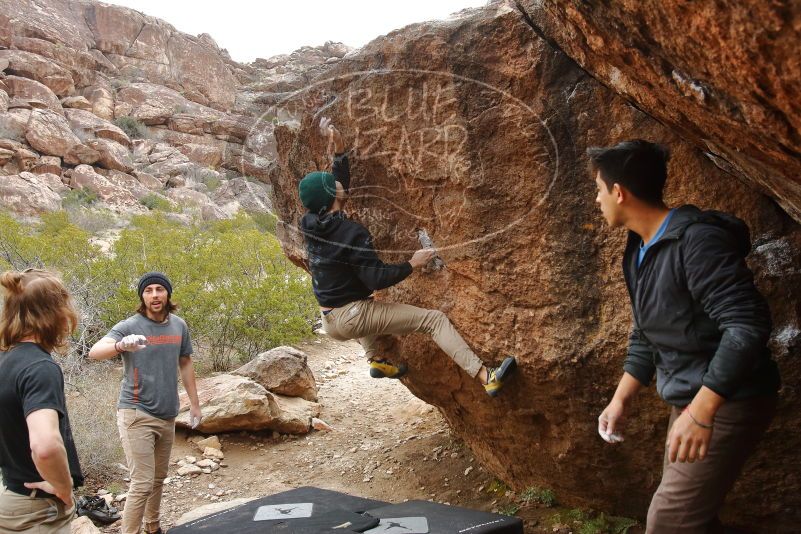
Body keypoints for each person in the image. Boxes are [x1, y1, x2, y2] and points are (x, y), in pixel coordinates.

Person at [590, 140, 781, 533]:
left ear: (619, 192)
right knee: (692, 519)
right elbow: (646, 330)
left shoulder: (695, 242)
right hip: (692, 399)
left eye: (598, 189)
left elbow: (747, 324)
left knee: (669, 522)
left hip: (728, 400)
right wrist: (620, 399)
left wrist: (700, 412)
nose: (597, 199)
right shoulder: (640, 248)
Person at [298, 118, 516, 396]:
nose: (339, 185)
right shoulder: (352, 233)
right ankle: (487, 376)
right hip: (352, 318)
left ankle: (376, 359)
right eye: (334, 185)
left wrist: (339, 153)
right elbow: (377, 278)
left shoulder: (310, 223)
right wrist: (413, 263)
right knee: (433, 320)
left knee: (357, 295)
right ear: (332, 197)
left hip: (330, 320)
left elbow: (337, 189)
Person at [88, 272, 201, 534]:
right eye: (148, 290)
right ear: (142, 296)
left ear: (168, 294)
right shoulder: (129, 326)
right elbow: (95, 352)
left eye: (159, 290)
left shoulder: (178, 326)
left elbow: (185, 363)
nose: (154, 295)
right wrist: (119, 346)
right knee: (141, 483)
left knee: (158, 479)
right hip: (136, 412)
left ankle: (153, 527)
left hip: (168, 413)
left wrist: (195, 404)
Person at [0, 269, 83, 533]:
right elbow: (45, 445)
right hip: (37, 511)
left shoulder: (5, 360)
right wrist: (63, 487)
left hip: (10, 497)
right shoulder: (39, 368)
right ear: (54, 313)